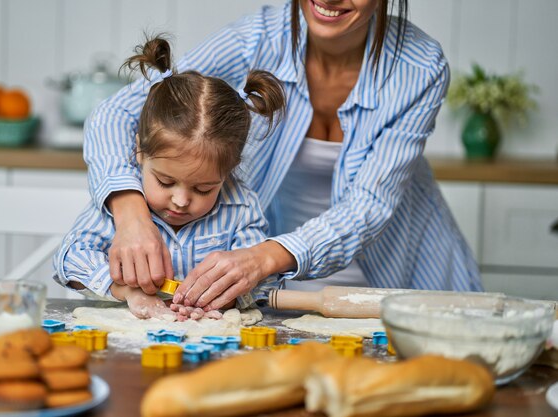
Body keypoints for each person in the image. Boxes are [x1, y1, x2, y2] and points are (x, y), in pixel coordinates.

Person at [83, 0, 484, 312]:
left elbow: (368, 206)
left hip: (397, 274)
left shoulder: (420, 66)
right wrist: (131, 215)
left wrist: (262, 258)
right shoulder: (254, 39)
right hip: (275, 286)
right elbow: (115, 113)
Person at [53, 36, 285, 320]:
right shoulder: (119, 204)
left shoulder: (241, 207)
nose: (181, 200)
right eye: (165, 182)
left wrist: (228, 297)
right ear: (139, 151)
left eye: (203, 188)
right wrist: (126, 290)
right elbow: (69, 259)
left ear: (229, 171)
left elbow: (265, 281)